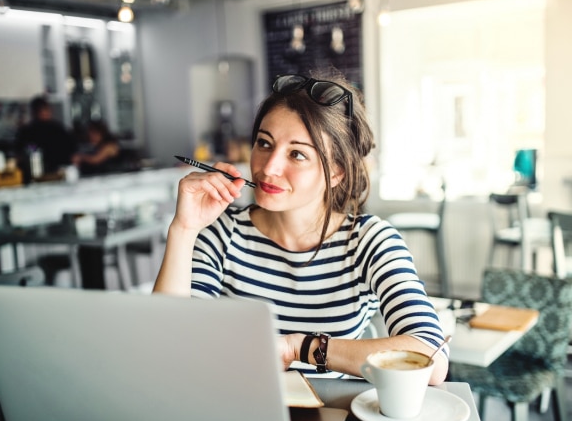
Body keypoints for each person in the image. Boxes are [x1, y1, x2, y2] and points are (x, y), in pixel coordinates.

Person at [153, 70, 449, 384]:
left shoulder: (369, 241)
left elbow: (430, 358)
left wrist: (300, 347)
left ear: (336, 173)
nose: (269, 167)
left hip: (332, 415)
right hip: (235, 405)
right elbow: (167, 344)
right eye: (264, 144)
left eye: (297, 154)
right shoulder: (222, 233)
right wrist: (184, 229)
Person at [15, 95, 77, 180]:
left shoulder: (58, 129)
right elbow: (19, 152)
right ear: (34, 113)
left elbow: (73, 149)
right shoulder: (27, 131)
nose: (44, 113)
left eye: (45, 110)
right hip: (36, 173)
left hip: (60, 171)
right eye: (40, 111)